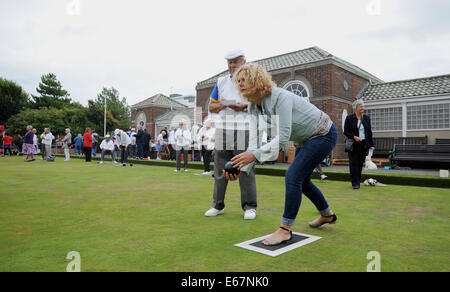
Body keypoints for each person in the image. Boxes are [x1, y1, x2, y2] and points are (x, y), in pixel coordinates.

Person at [228, 63, 338, 245]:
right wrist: (242, 167)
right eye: (238, 80)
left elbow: (283, 137)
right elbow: (253, 143)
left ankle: (285, 229)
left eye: (244, 79)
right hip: (306, 139)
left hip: (323, 133)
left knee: (293, 176)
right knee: (302, 180)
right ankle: (327, 214)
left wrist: (254, 156)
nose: (240, 83)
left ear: (257, 80)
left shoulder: (279, 97)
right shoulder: (254, 108)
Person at [204, 50, 258, 220]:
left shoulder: (252, 81)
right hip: (223, 129)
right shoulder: (220, 82)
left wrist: (242, 107)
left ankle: (250, 207)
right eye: (229, 62)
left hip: (244, 128)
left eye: (235, 62)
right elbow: (212, 107)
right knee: (220, 168)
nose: (232, 65)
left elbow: (259, 106)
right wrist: (229, 103)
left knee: (245, 167)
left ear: (244, 62)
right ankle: (217, 205)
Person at [344, 99, 375, 189]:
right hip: (353, 144)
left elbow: (369, 132)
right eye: (361, 106)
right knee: (353, 163)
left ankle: (358, 181)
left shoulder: (366, 118)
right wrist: (354, 137)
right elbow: (346, 131)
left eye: (363, 106)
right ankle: (355, 183)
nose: (363, 108)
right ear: (356, 108)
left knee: (360, 163)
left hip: (363, 144)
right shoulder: (349, 118)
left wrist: (371, 145)